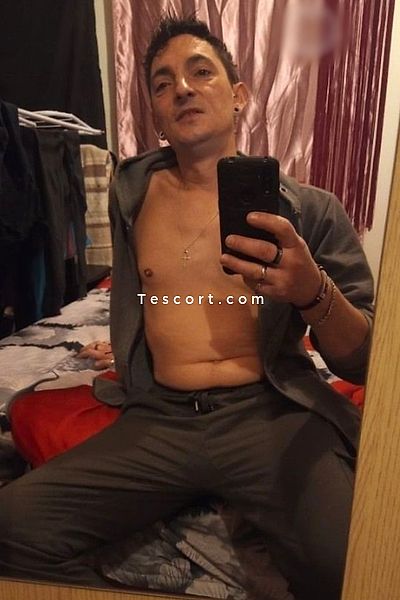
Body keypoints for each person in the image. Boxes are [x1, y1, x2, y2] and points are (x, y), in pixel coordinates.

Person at [0, 16, 374, 600]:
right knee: (11, 528)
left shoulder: (310, 210)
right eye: (162, 82)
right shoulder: (130, 193)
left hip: (269, 414)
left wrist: (312, 291)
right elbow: (153, 294)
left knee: (359, 567)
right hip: (160, 419)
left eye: (201, 72)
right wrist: (129, 343)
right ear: (154, 111)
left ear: (239, 95)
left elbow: (364, 361)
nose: (182, 88)